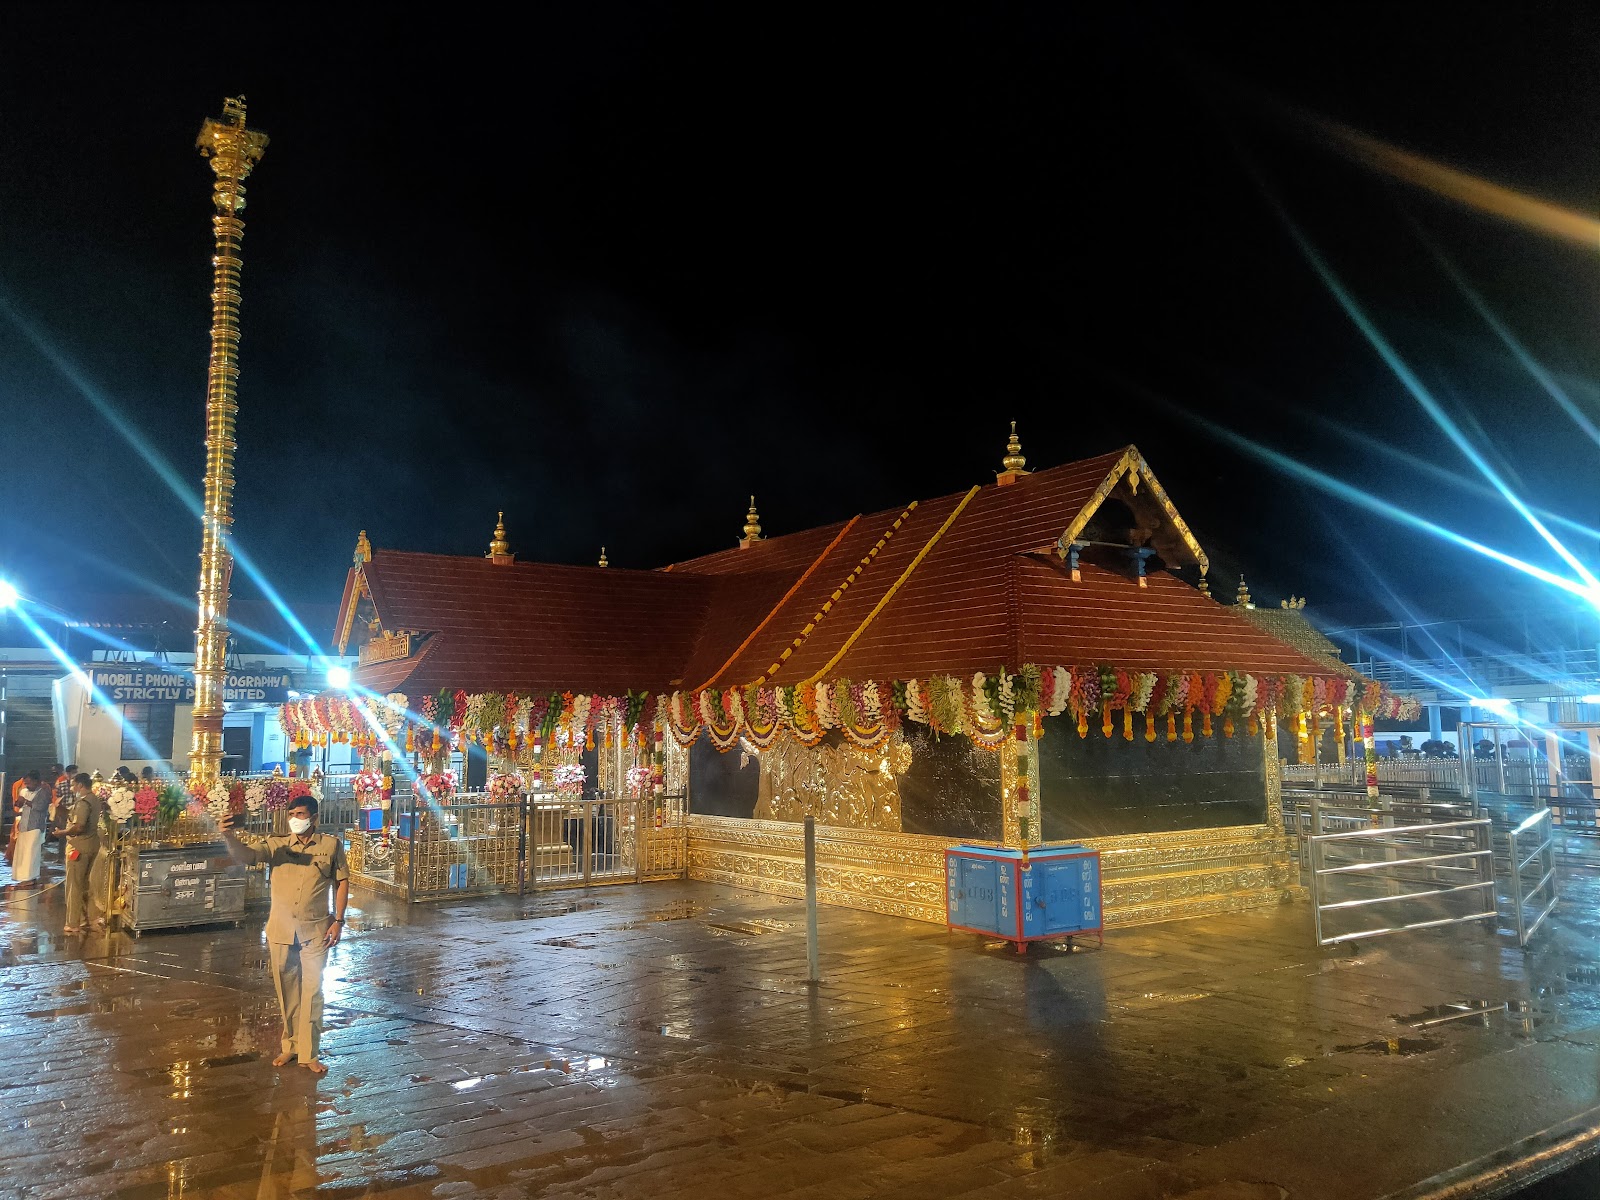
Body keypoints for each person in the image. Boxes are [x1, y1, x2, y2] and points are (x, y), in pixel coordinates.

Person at [221, 796, 349, 1075]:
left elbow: (341, 882)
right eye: (291, 813)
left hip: (316, 930)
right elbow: (245, 856)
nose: (295, 819)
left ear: (314, 818)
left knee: (313, 991)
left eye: (300, 814)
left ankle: (309, 1053)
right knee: (287, 990)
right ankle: (290, 1045)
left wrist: (339, 920)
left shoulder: (330, 846)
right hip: (281, 930)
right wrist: (229, 837)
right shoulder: (276, 845)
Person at [58, 772, 103, 933]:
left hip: (79, 847)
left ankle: (73, 922)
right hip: (92, 845)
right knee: (85, 884)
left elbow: (79, 827)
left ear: (80, 785)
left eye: (73, 785)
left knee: (74, 886)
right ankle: (87, 918)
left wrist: (62, 833)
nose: (72, 788)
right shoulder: (94, 799)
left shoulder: (83, 802)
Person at [11, 771, 50, 886]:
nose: (27, 785)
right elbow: (19, 806)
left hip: (35, 827)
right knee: (22, 853)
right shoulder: (24, 791)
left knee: (31, 854)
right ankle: (22, 877)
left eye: (29, 783)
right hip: (24, 826)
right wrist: (18, 803)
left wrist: (26, 802)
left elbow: (41, 807)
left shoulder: (43, 792)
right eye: (26, 783)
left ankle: (30, 878)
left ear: (36, 781)